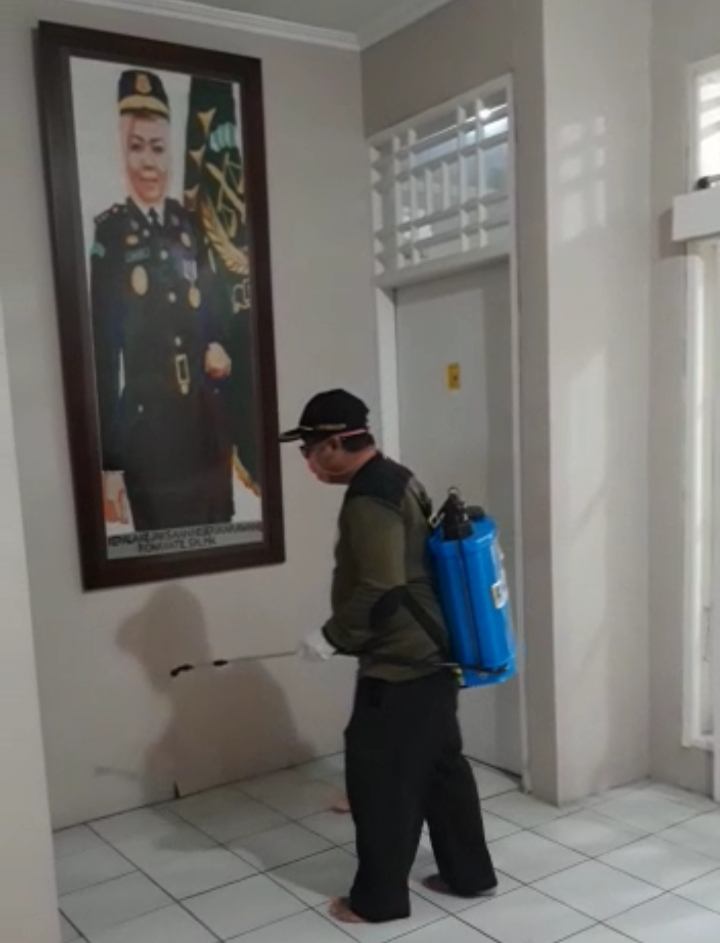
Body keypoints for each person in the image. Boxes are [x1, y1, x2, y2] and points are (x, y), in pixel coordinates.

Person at [282, 389, 497, 925]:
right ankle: (469, 874)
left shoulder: (369, 497)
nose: (307, 463)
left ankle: (377, 901)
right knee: (442, 772)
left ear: (335, 443)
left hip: (400, 663)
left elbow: (382, 586)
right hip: (432, 654)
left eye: (309, 450)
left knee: (379, 781)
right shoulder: (397, 476)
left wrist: (331, 635)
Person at [91, 69, 234, 533]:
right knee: (164, 552)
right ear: (122, 149)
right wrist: (110, 465)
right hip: (149, 439)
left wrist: (217, 346)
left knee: (221, 545)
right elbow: (102, 358)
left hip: (204, 428)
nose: (148, 162)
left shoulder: (188, 227)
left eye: (157, 147)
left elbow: (212, 311)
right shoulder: (112, 236)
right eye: (137, 147)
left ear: (171, 149)